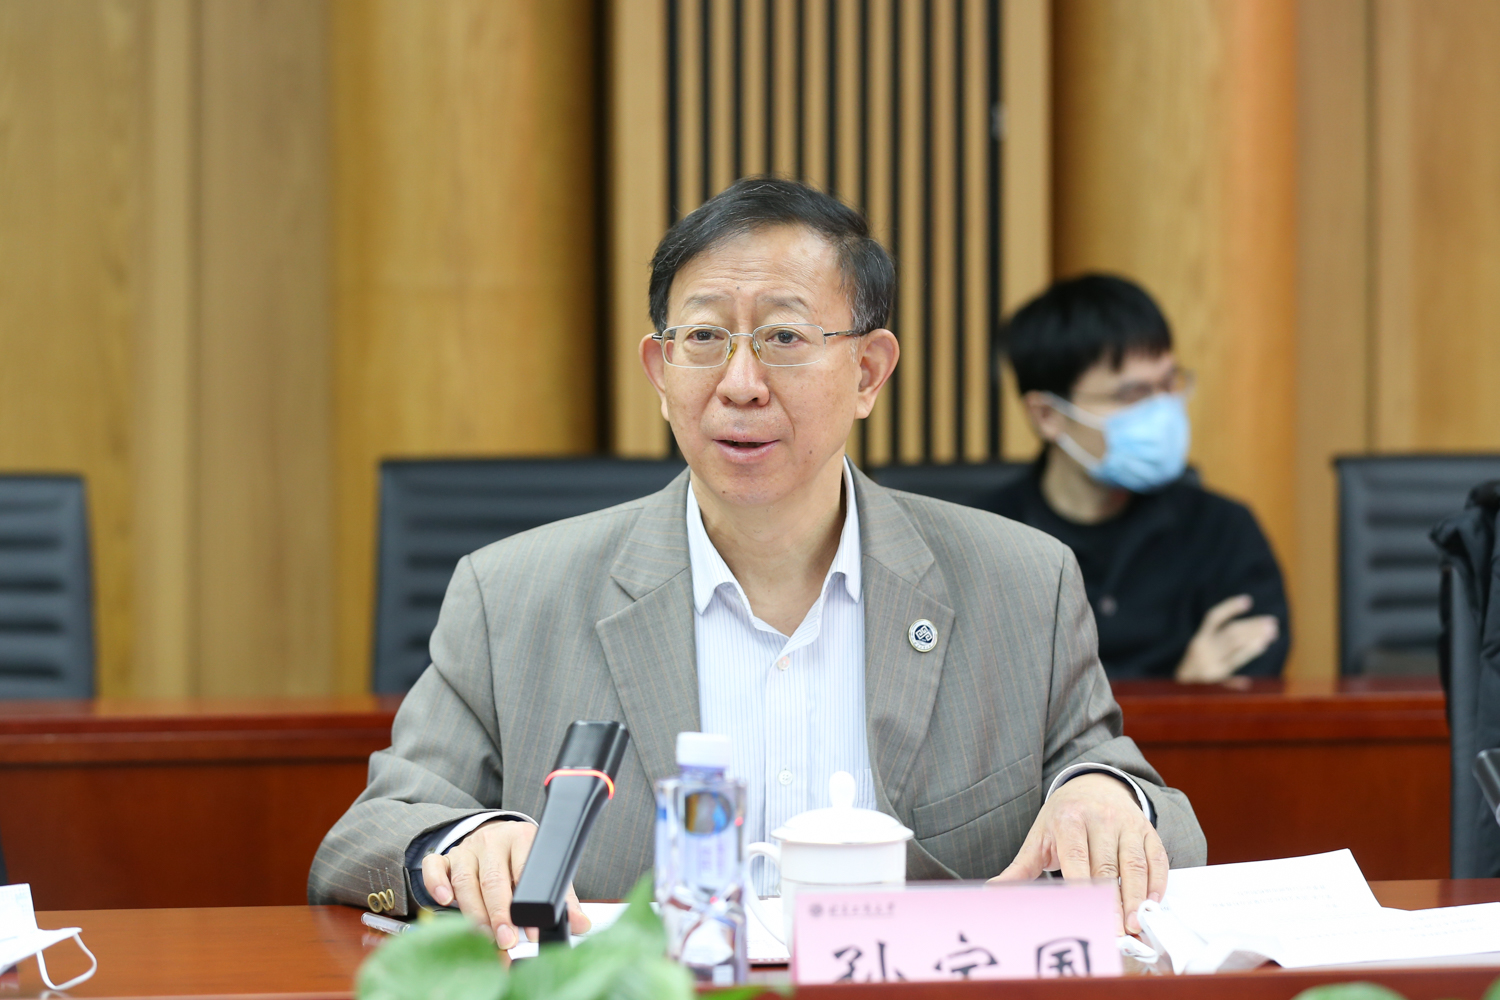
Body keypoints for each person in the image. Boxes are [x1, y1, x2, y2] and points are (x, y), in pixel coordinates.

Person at [309, 179, 1205, 946]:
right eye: (704, 339)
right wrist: (457, 847)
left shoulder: (1022, 585)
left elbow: (1155, 817)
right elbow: (366, 841)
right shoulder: (508, 598)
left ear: (869, 371)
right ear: (660, 372)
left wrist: (1103, 797)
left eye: (783, 338)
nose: (740, 384)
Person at [989, 274, 1290, 683]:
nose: (1162, 409)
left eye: (1168, 383)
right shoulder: (984, 542)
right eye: (1132, 395)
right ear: (1047, 416)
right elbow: (989, 699)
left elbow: (1255, 671)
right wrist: (1180, 692)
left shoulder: (1223, 531)